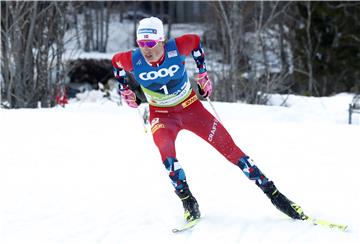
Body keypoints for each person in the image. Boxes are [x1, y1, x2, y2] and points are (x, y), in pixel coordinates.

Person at [112, 17, 305, 223]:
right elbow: (116, 63)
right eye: (141, 43)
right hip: (161, 115)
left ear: (161, 40)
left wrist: (203, 74)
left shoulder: (176, 48)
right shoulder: (133, 60)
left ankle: (276, 196)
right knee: (167, 156)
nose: (146, 49)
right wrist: (125, 90)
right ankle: (188, 202)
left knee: (233, 152)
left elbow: (195, 41)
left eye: (150, 43)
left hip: (191, 109)